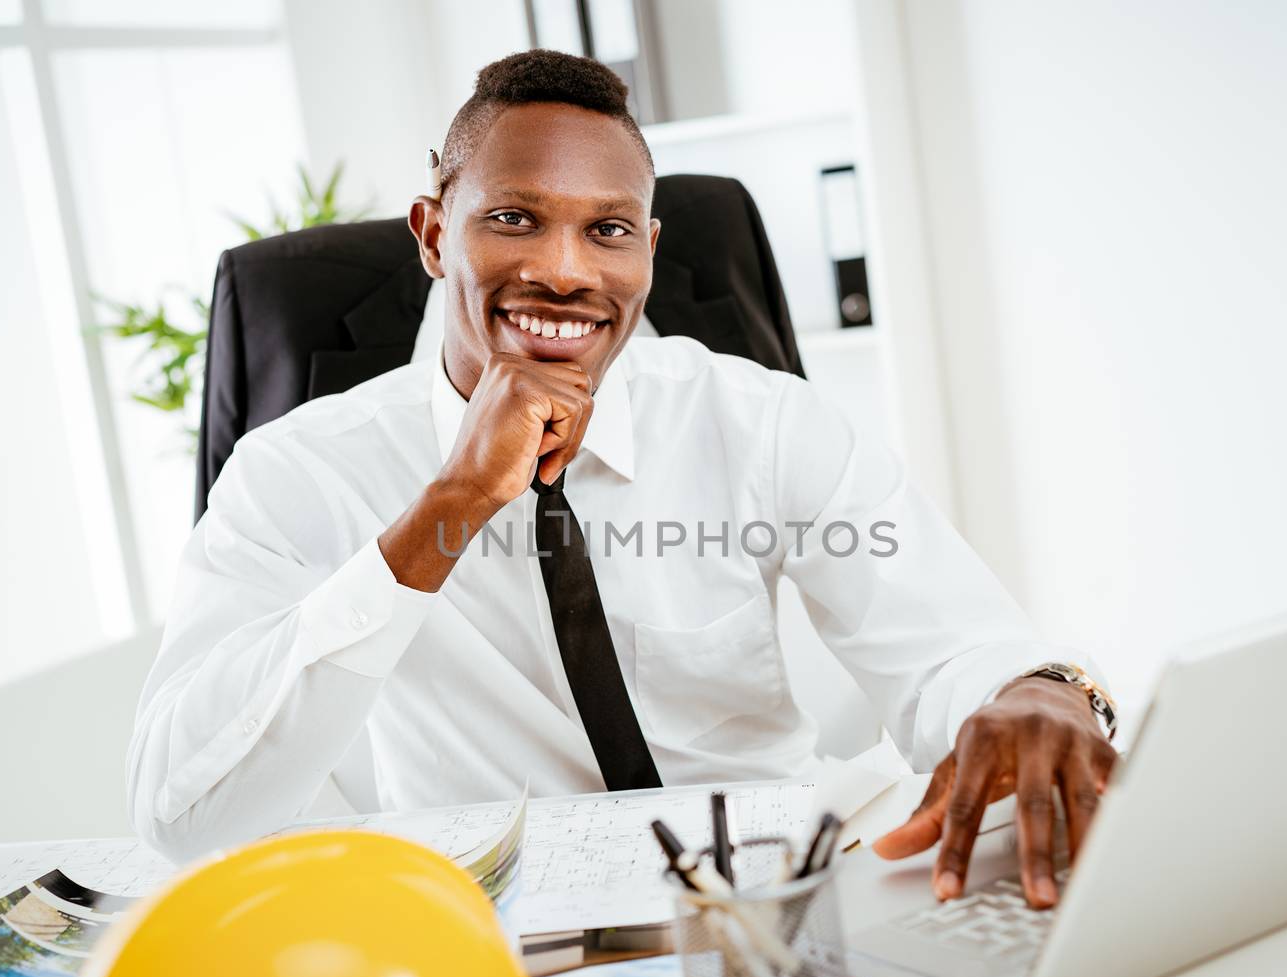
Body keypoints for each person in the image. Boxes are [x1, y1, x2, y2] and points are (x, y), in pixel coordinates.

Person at [128, 50, 1118, 910]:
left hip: (777, 906)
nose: (564, 271)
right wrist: (449, 507)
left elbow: (954, 646)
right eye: (514, 218)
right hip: (492, 940)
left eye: (606, 231)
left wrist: (1040, 694)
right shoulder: (295, 473)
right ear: (434, 235)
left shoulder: (760, 421)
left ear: (647, 250)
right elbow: (181, 812)